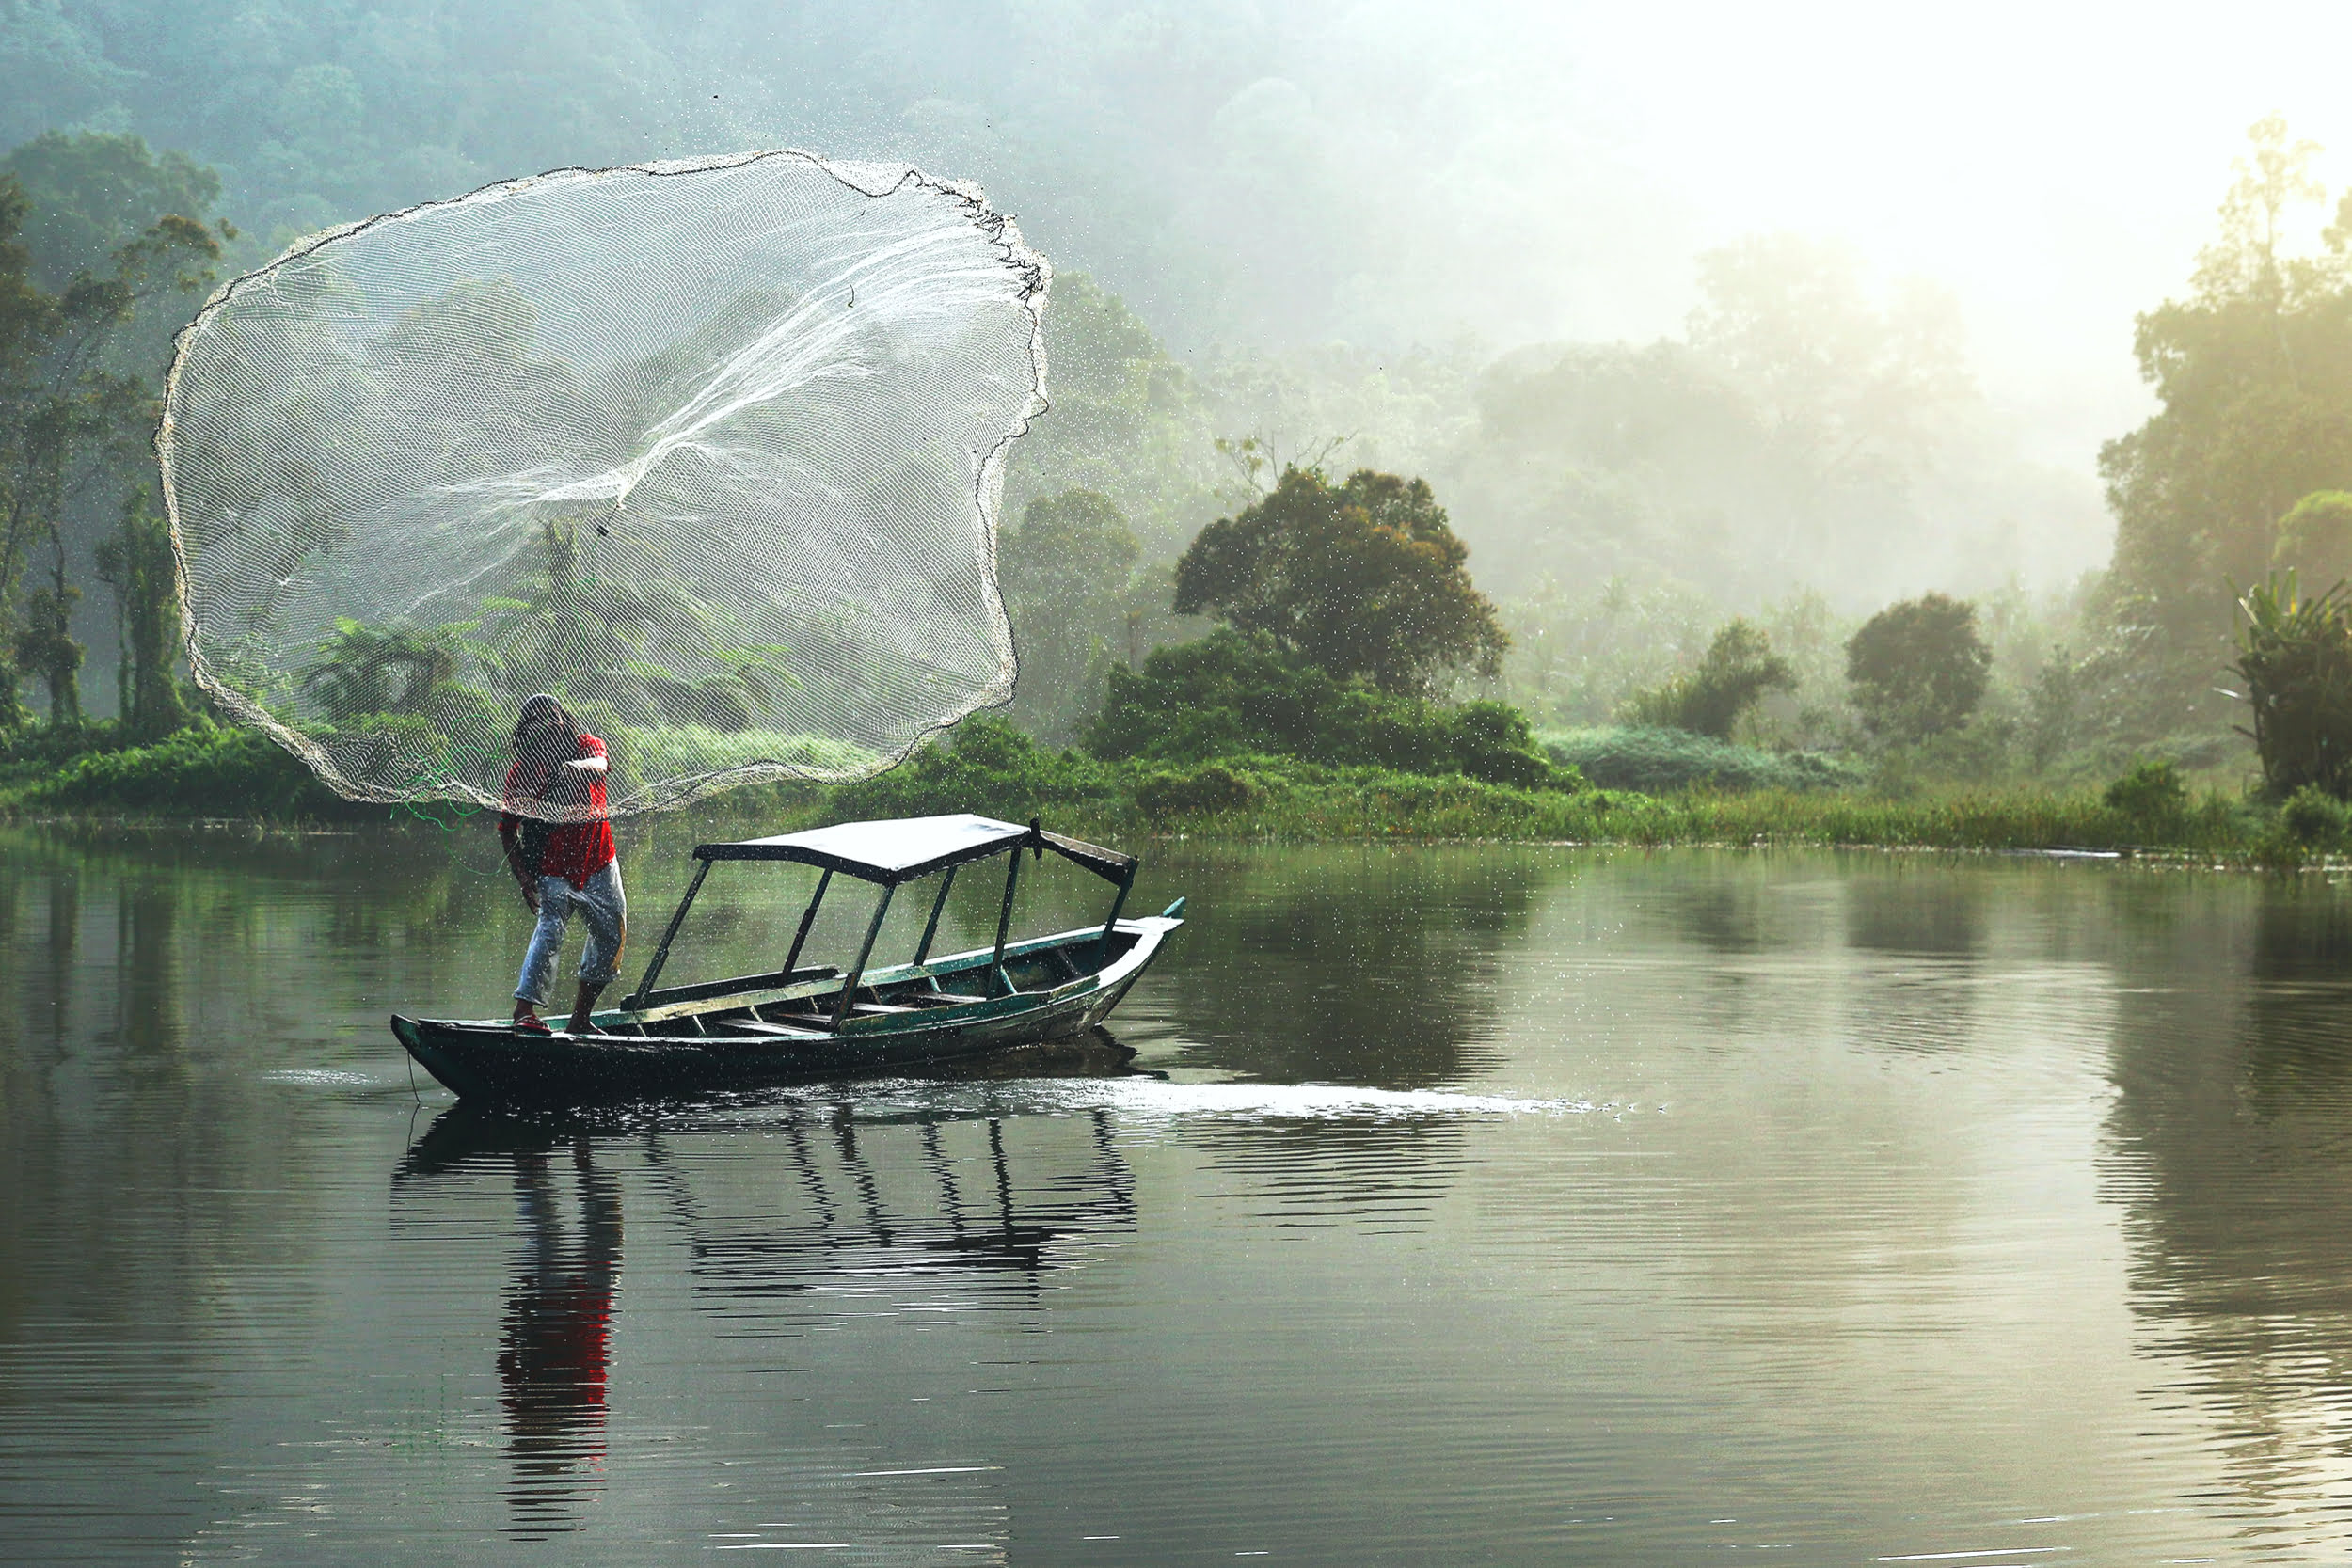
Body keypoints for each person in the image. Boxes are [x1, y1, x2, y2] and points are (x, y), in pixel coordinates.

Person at [501, 694, 625, 1035]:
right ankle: (523, 1012)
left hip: (600, 861)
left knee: (611, 937)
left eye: (553, 718)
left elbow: (600, 764)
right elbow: (508, 831)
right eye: (539, 721)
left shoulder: (586, 747)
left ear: (564, 721)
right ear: (528, 732)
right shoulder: (523, 772)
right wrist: (525, 879)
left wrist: (572, 769)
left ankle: (580, 1018)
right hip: (553, 869)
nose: (549, 727)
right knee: (550, 930)